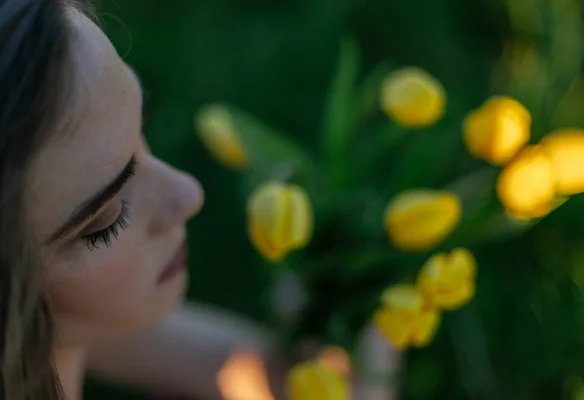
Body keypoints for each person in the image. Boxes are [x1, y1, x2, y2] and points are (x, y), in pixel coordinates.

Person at [0, 1, 398, 399]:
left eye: (139, 125)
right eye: (107, 218)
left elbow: (261, 375)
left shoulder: (72, 333)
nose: (188, 194)